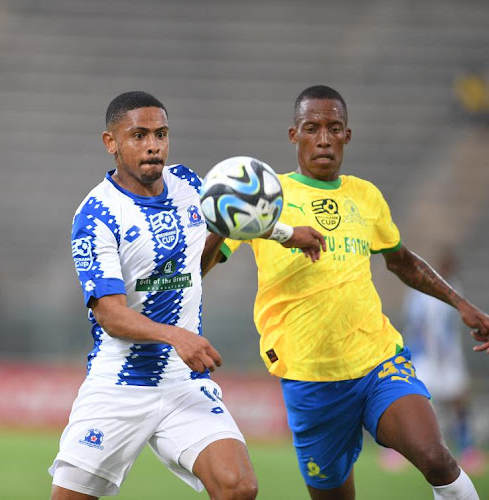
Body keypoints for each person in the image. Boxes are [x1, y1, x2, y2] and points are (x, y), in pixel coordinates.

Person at [206, 85, 489, 500]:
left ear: (346, 135)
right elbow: (200, 267)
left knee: (436, 458)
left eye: (334, 128)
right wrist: (220, 218)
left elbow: (402, 261)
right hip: (310, 380)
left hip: (377, 362)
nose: (323, 138)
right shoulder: (264, 199)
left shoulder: (365, 196)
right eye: (312, 128)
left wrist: (461, 304)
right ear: (293, 135)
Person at [48, 91, 326, 499]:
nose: (153, 145)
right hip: (121, 384)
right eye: (138, 135)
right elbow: (110, 314)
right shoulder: (97, 214)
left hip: (183, 383)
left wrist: (286, 234)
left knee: (239, 487)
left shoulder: (190, 185)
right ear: (111, 143)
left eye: (160, 134)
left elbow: (231, 215)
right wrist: (178, 336)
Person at [386, 249, 485, 474]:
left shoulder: (455, 288)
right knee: (409, 401)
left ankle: (467, 449)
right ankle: (396, 450)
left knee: (460, 402)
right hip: (425, 358)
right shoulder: (419, 294)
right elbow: (415, 323)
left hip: (449, 359)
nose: (445, 270)